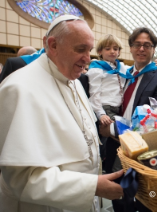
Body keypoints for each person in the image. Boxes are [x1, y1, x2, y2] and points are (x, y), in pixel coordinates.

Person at [0, 15, 123, 212]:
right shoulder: (19, 88)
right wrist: (91, 186)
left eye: (89, 50)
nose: (88, 58)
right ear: (53, 45)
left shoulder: (73, 80)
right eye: (80, 49)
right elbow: (21, 178)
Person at [99, 27, 157, 212]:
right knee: (116, 188)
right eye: (137, 45)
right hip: (114, 144)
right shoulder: (122, 73)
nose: (141, 49)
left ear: (153, 49)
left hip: (138, 146)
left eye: (147, 45)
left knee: (135, 193)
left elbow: (152, 121)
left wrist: (112, 131)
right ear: (131, 47)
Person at [86, 34, 127, 126]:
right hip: (105, 109)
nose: (112, 51)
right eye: (108, 49)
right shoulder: (97, 68)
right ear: (100, 51)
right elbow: (94, 92)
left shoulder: (121, 67)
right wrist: (100, 113)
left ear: (119, 51)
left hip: (119, 108)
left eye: (115, 49)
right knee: (120, 131)